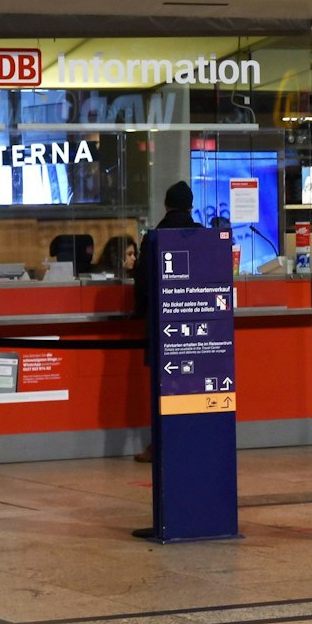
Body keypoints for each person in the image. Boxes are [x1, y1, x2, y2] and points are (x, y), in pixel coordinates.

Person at [135, 182, 199, 464]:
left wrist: (140, 313)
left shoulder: (154, 237)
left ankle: (161, 445)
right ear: (191, 206)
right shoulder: (203, 236)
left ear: (166, 204)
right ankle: (191, 441)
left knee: (163, 387)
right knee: (192, 386)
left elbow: (143, 283)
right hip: (197, 326)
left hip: (164, 325)